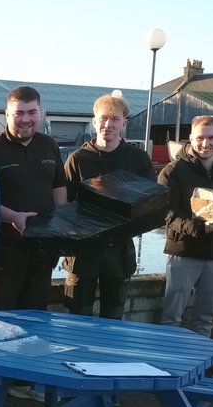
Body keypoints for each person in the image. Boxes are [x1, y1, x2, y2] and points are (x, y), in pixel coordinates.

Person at [0, 85, 69, 312]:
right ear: (7, 114)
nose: (25, 119)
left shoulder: (49, 145)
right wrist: (13, 217)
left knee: (36, 314)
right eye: (19, 113)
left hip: (43, 249)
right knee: (0, 316)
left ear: (40, 113)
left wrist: (62, 225)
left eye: (31, 112)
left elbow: (58, 187)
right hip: (4, 252)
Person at [62, 94, 155, 319]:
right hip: (83, 249)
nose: (108, 125)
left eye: (114, 119)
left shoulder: (138, 159)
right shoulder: (78, 158)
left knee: (113, 316)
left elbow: (151, 203)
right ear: (94, 121)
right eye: (103, 118)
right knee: (77, 314)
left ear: (124, 122)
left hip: (119, 248)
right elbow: (64, 204)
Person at [157, 116, 213, 336]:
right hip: (184, 252)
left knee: (206, 318)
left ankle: (198, 367)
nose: (205, 143)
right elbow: (167, 213)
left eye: (211, 137)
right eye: (200, 138)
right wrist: (200, 228)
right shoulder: (172, 171)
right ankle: (168, 366)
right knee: (171, 317)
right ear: (191, 138)